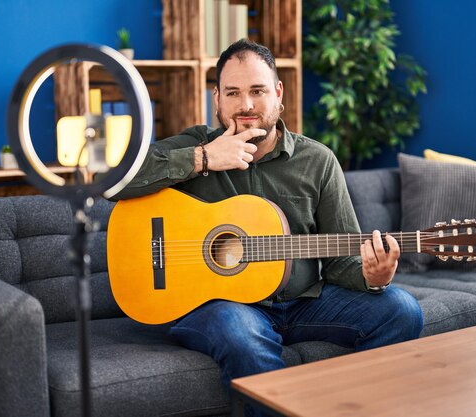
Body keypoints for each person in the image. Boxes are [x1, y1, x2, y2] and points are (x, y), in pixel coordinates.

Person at [109, 39, 423, 397]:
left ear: (278, 93)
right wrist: (203, 159)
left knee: (401, 310)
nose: (245, 105)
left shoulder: (317, 161)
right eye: (232, 93)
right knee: (240, 332)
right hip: (221, 307)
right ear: (217, 99)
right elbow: (114, 179)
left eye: (257, 90)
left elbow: (340, 262)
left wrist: (372, 276)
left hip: (303, 303)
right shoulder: (197, 145)